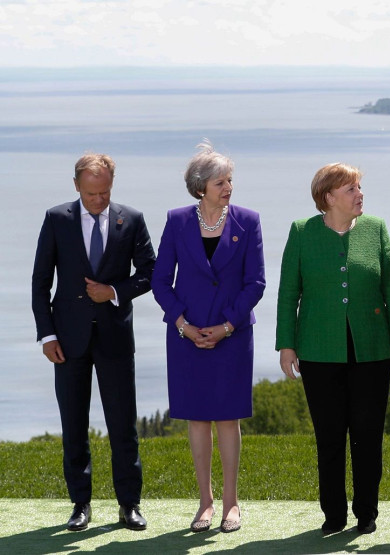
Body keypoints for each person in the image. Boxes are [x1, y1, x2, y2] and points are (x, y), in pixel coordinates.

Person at [276, 162, 390, 536]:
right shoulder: (302, 232)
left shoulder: (376, 228)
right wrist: (287, 345)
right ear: (329, 197)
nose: (360, 195)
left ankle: (366, 513)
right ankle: (333, 515)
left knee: (368, 436)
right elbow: (289, 293)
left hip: (373, 349)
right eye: (351, 189)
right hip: (318, 352)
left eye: (359, 188)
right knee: (330, 437)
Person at [31, 153, 155, 532]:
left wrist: (115, 291)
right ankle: (80, 505)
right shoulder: (56, 219)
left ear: (112, 185)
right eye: (90, 193)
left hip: (116, 338)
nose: (98, 200)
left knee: (123, 426)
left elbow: (151, 272)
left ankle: (129, 505)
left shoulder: (130, 219)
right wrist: (47, 334)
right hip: (67, 341)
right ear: (76, 186)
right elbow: (40, 282)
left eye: (104, 192)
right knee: (74, 424)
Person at [151, 143, 266, 533]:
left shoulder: (248, 221)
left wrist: (228, 326)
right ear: (201, 187)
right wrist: (183, 325)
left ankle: (232, 504)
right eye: (221, 181)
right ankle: (205, 503)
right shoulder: (177, 220)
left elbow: (256, 283)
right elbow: (160, 281)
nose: (229, 187)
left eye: (230, 180)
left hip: (232, 335)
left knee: (227, 418)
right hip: (187, 336)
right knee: (197, 419)